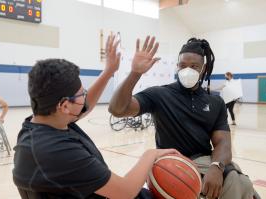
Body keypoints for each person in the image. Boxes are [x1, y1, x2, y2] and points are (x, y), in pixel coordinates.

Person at [12, 35, 180, 199]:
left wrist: (109, 71)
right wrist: (150, 154)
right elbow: (126, 192)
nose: (84, 97)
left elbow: (83, 107)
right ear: (64, 106)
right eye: (81, 94)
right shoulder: (57, 152)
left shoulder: (44, 121)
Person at [109, 37, 257, 199]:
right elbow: (117, 109)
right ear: (177, 66)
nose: (188, 70)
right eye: (183, 65)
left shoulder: (215, 102)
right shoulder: (159, 94)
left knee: (242, 184)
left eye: (194, 66)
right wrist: (135, 74)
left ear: (204, 68)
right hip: (171, 166)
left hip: (205, 163)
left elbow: (223, 143)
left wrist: (216, 167)